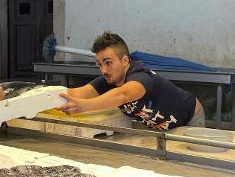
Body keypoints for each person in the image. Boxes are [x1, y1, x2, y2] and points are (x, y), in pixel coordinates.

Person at [59, 31, 205, 130]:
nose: (104, 70)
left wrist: (84, 106)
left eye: (108, 62)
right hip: (161, 125)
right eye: (99, 64)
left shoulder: (140, 75)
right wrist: (45, 96)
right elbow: (76, 92)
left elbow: (122, 95)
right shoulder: (109, 80)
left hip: (189, 118)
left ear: (125, 60)